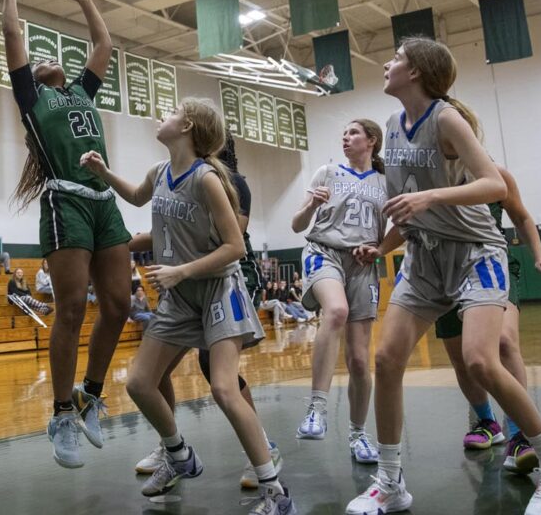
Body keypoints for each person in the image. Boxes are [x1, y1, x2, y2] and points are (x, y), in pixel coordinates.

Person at [345, 38, 541, 515]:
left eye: (397, 57)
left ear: (416, 72)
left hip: (476, 253)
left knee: (481, 360)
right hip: (424, 259)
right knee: (388, 360)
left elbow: (494, 183)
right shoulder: (392, 126)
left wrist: (431, 198)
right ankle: (390, 482)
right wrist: (381, 246)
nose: (388, 63)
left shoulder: (446, 118)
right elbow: (406, 208)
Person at [82, 97, 294, 515]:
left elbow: (235, 248)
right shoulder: (159, 172)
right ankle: (179, 455)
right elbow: (138, 197)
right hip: (179, 298)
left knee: (223, 389)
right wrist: (104, 174)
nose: (164, 116)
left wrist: (183, 271)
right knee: (139, 382)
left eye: (173, 112)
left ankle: (275, 492)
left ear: (188, 127)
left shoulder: (208, 179)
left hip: (217, 289)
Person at [0, 0, 132, 469]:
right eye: (42, 58)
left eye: (57, 57)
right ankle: (59, 414)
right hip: (65, 198)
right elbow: (12, 37)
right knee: (72, 308)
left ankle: (90, 394)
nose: (51, 59)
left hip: (103, 200)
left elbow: (104, 46)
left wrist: (85, 0)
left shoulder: (80, 90)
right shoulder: (31, 98)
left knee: (118, 305)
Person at [131, 133, 282, 492]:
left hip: (224, 276)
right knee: (153, 372)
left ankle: (263, 447)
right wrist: (121, 242)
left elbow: (228, 237)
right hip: (184, 280)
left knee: (214, 372)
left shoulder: (229, 182)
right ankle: (171, 446)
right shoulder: (168, 174)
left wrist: (174, 259)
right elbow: (166, 226)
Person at [431, 167, 541, 472]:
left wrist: (539, 256)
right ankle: (486, 421)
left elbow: (522, 217)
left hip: (492, 261)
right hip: (445, 271)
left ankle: (518, 432)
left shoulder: (495, 174)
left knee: (504, 342)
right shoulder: (429, 176)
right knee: (462, 357)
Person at [289, 119, 388, 465]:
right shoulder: (327, 172)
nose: (345, 137)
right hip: (324, 252)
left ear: (371, 140)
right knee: (335, 311)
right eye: (343, 133)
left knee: (360, 360)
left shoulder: (386, 182)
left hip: (362, 266)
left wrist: (378, 249)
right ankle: (316, 409)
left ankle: (359, 434)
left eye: (353, 133)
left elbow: (397, 230)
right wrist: (311, 206)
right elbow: (297, 224)